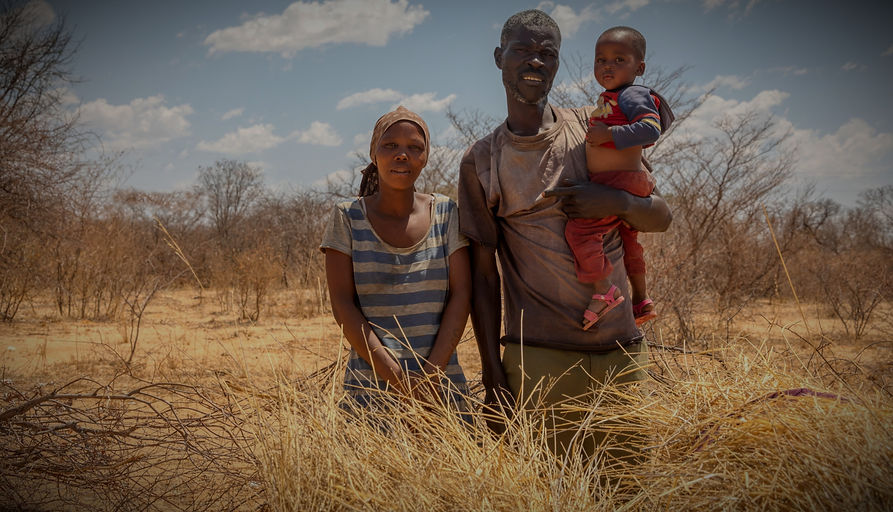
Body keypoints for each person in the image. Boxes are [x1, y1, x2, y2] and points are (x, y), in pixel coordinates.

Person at [457, 10, 672, 457]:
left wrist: (617, 204)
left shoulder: (593, 128)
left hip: (622, 354)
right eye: (522, 50)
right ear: (499, 57)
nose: (535, 62)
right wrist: (493, 372)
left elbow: (660, 217)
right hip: (538, 359)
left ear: (557, 64)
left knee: (631, 489)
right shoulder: (482, 160)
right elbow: (483, 276)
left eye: (547, 54)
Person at [321, 106, 471, 413]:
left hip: (442, 391)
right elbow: (342, 305)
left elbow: (462, 295)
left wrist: (430, 376)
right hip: (370, 395)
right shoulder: (347, 218)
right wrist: (399, 380)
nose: (402, 154)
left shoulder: (445, 214)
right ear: (374, 153)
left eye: (414, 147)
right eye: (390, 145)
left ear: (425, 156)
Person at [567, 26, 674, 330]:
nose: (607, 66)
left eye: (618, 59)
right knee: (628, 241)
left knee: (580, 232)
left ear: (639, 68)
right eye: (601, 60)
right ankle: (641, 300)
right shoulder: (612, 97)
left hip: (619, 182)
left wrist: (608, 134)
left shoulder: (633, 94)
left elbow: (651, 129)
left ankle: (604, 290)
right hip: (622, 180)